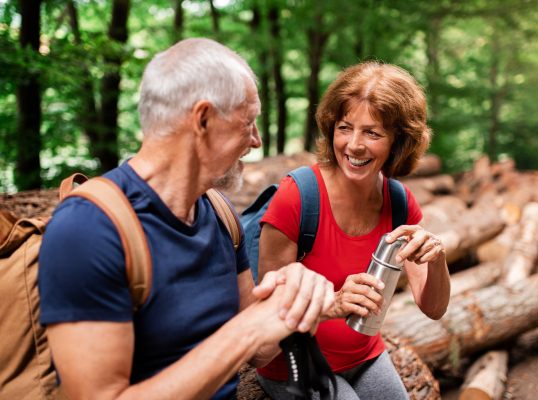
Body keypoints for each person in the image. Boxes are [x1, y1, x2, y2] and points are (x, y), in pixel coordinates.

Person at [38, 38, 335, 400]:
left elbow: (258, 352)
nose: (256, 140)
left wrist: (292, 299)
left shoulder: (220, 213)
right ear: (204, 120)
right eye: (248, 122)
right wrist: (244, 332)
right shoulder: (88, 229)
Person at [256, 61, 451, 399]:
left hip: (365, 356)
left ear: (398, 142)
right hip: (295, 362)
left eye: (372, 133)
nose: (354, 145)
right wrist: (334, 301)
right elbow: (265, 316)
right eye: (345, 128)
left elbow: (433, 308)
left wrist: (436, 257)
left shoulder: (400, 202)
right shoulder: (298, 196)